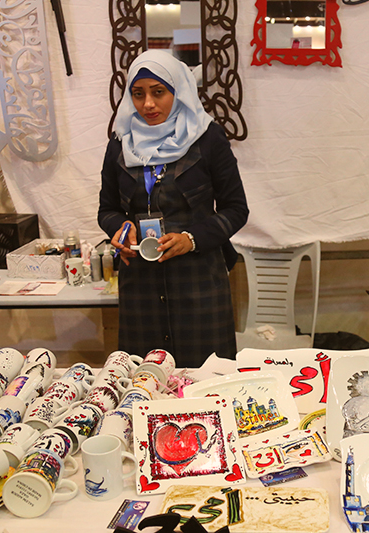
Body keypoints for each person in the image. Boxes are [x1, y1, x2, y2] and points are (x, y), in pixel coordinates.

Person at [98, 50, 249, 368]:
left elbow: (236, 209)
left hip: (198, 282)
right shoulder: (121, 143)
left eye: (158, 92)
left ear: (178, 91)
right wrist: (120, 229)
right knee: (145, 380)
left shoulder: (206, 138)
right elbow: (107, 209)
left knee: (206, 378)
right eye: (138, 94)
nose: (148, 104)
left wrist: (191, 239)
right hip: (140, 286)